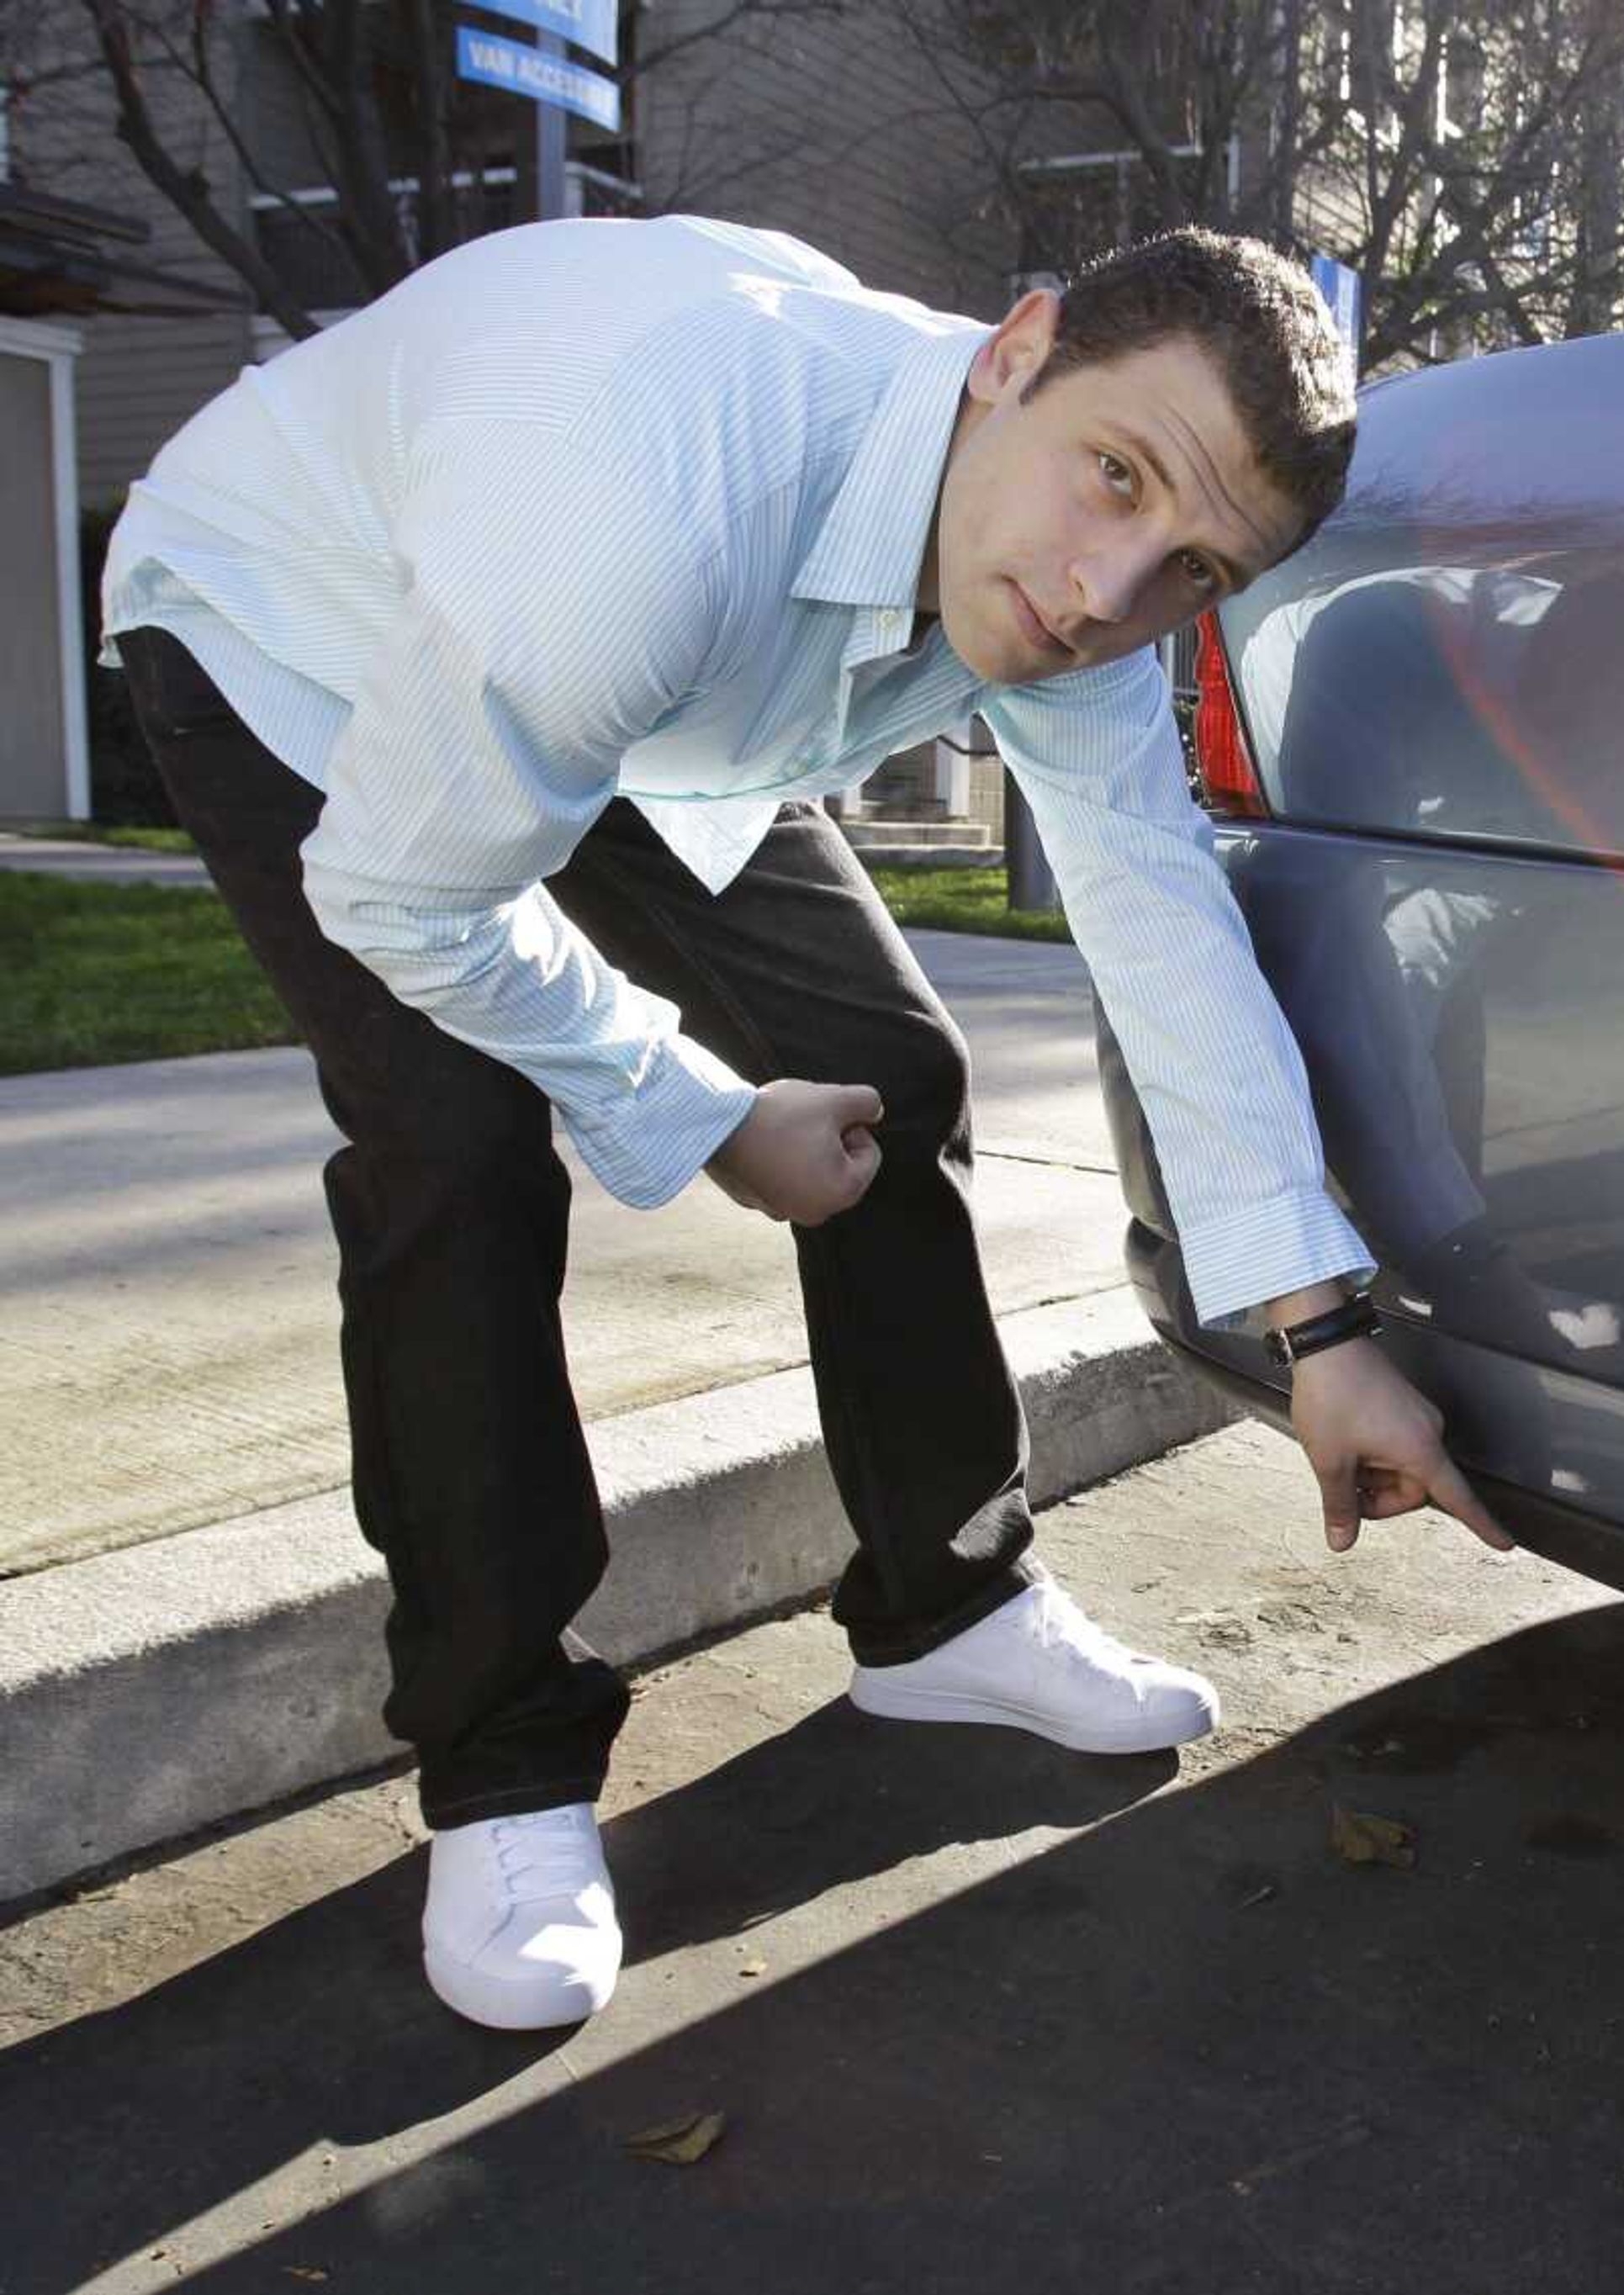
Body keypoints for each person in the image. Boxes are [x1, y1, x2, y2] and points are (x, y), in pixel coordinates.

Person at [99, 215, 1507, 2033]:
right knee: (450, 1141)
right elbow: (404, 898)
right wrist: (698, 1113)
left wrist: (1321, 1331)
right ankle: (504, 1762)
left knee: (893, 1069)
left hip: (633, 690)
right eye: (1113, 478)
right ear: (1016, 349)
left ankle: (950, 1609)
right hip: (293, 627)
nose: (1101, 592)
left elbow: (1157, 906)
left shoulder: (1064, 588)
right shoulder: (646, 496)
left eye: (1187, 566)